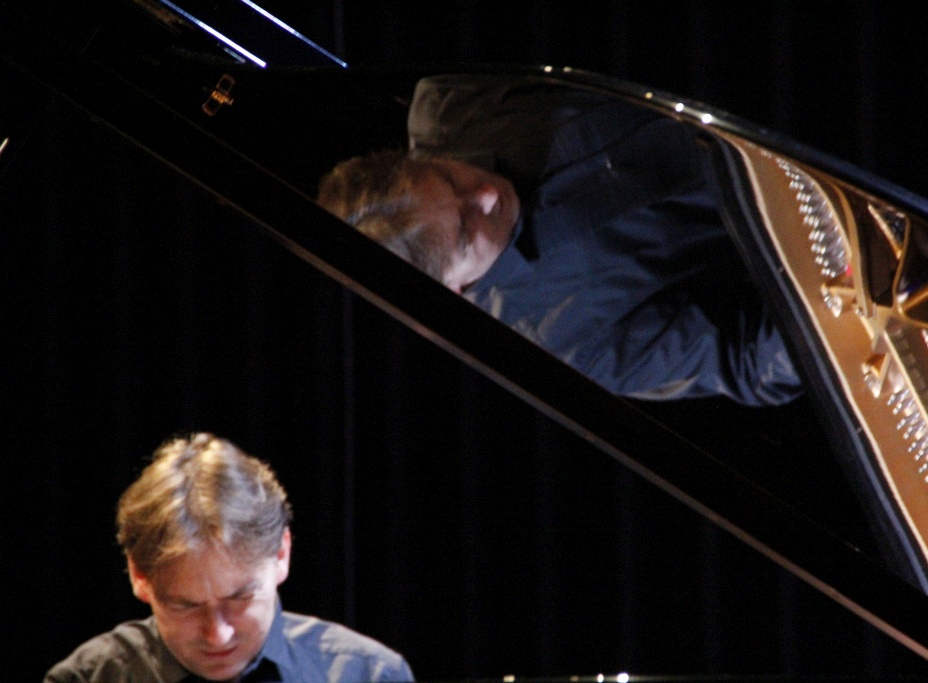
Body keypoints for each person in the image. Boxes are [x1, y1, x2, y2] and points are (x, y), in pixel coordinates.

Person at [317, 74, 802, 407]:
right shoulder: (556, 346)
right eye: (466, 229)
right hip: (802, 206)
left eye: (448, 177)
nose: (486, 194)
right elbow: (745, 359)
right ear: (451, 290)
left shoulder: (451, 101)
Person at [45, 432, 414, 683]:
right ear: (139, 576)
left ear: (281, 554)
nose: (218, 636)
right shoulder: (87, 677)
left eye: (240, 597)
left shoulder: (368, 674)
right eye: (186, 605)